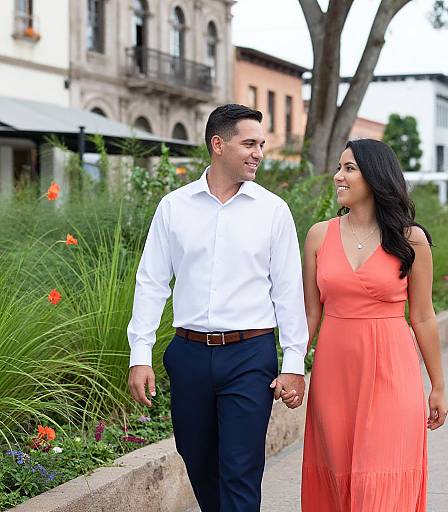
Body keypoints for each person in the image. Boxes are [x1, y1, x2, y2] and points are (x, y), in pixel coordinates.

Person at [127, 104, 308, 512]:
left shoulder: (273, 210)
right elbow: (151, 282)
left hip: (250, 355)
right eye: (249, 143)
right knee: (198, 459)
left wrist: (294, 363)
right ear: (217, 144)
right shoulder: (174, 207)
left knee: (240, 469)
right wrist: (140, 354)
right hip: (188, 354)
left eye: (261, 144)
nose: (258, 152)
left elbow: (288, 291)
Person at [301, 139, 448, 511]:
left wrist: (438, 387)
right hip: (334, 373)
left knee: (383, 472)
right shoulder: (319, 235)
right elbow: (309, 315)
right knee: (337, 473)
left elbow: (423, 316)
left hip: (391, 370)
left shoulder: (410, 239)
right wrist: (290, 369)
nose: (339, 176)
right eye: (339, 167)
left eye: (349, 168)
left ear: (376, 176)